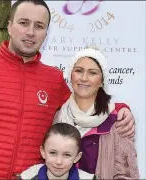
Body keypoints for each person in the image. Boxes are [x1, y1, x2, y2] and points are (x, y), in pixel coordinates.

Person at [0, 0, 135, 179]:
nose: (31, 32)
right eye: (23, 23)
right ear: (10, 26)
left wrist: (120, 108)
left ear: (46, 33)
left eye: (39, 26)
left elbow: (83, 103)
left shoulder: (53, 79)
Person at [53, 47, 139, 179]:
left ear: (102, 81)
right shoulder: (58, 116)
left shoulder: (117, 121)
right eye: (79, 71)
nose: (84, 78)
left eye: (92, 73)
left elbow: (126, 175)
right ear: (71, 75)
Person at [19, 123, 98, 180]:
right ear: (43, 152)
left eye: (67, 155)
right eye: (53, 153)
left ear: (77, 157)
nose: (59, 161)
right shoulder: (27, 177)